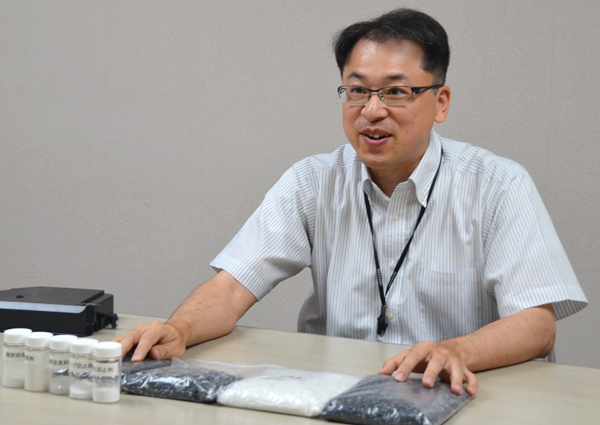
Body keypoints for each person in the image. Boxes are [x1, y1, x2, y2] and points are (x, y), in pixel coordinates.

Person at [114, 8, 587, 396]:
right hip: (336, 393)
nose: (372, 110)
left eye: (396, 92)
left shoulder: (498, 184)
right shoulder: (313, 181)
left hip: (454, 391)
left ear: (440, 102)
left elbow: (537, 325)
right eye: (358, 90)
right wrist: (179, 329)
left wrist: (456, 351)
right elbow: (233, 286)